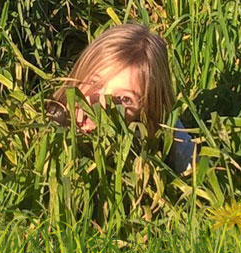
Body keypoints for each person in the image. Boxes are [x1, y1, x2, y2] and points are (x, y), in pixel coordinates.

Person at [47, 23, 195, 174]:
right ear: (78, 76)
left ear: (146, 109)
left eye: (123, 99)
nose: (100, 105)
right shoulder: (46, 122)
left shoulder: (164, 139)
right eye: (94, 83)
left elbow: (193, 168)